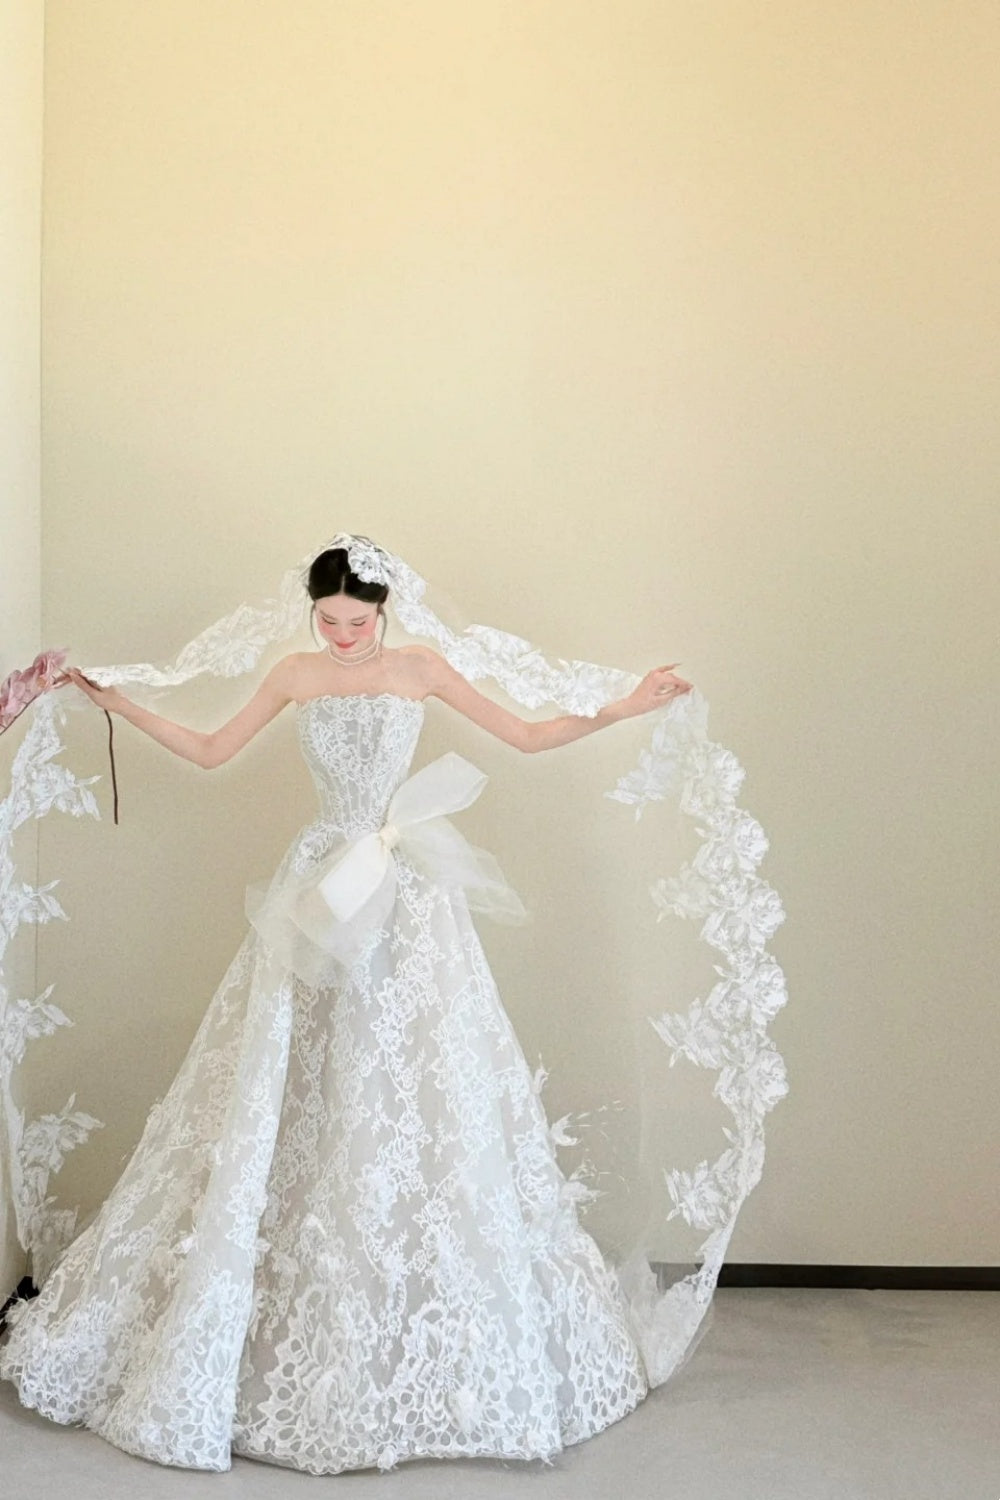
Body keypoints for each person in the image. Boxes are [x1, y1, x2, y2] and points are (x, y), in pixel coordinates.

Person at [0, 539, 693, 1475]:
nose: (341, 637)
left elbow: (528, 735)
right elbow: (209, 750)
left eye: (356, 623)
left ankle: (419, 1312)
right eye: (326, 621)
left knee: (414, 1078)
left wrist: (625, 705)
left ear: (384, 610)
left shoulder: (421, 667)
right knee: (297, 1075)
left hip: (405, 889)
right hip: (321, 884)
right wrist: (117, 702)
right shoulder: (295, 675)